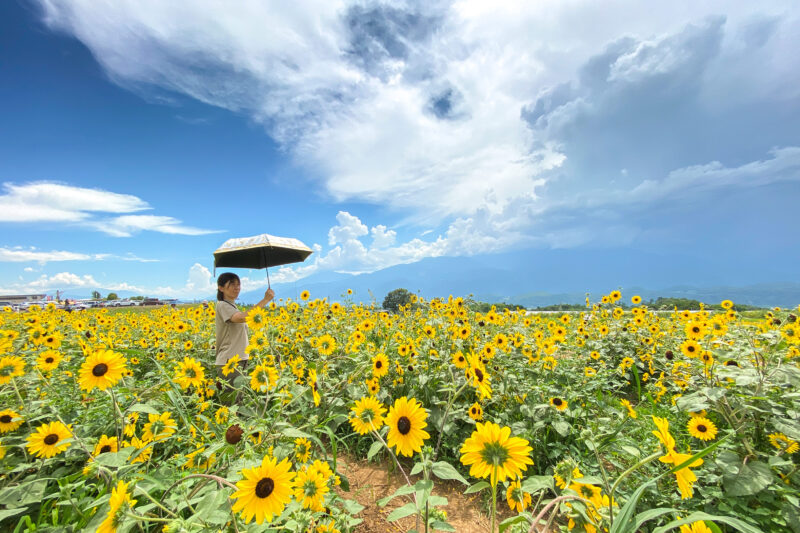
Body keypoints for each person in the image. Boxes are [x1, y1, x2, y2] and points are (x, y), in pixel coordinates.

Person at [215, 272, 274, 403]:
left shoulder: (231, 306)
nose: (237, 288)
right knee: (232, 408)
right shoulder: (222, 304)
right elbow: (241, 318)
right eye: (232, 284)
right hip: (229, 363)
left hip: (239, 360)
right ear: (221, 288)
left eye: (238, 284)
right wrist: (265, 300)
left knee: (238, 404)